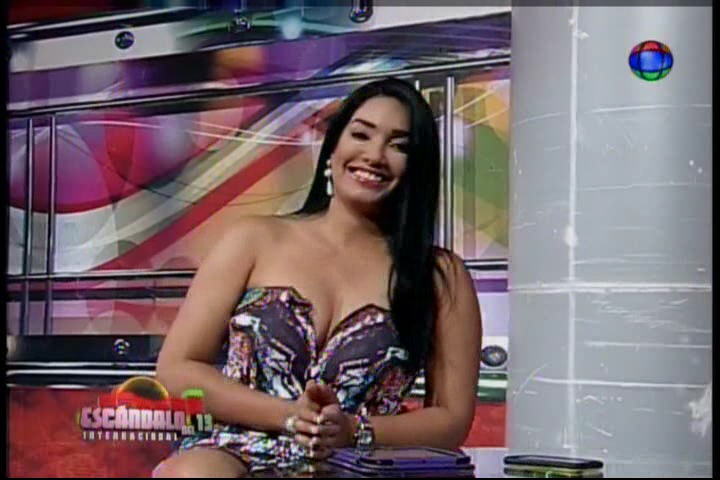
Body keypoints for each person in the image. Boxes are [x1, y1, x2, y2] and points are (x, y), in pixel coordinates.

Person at [152, 77, 482, 477]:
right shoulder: (253, 238)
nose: (374, 155)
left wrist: (353, 430)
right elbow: (177, 369)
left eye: (399, 146)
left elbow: (451, 420)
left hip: (354, 463)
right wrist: (290, 415)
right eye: (361, 135)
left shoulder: (441, 277)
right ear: (333, 148)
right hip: (231, 449)